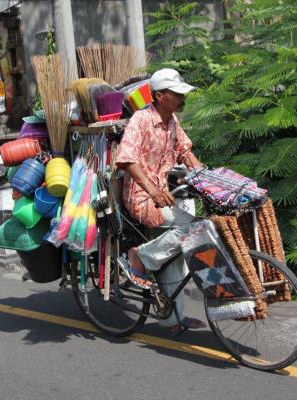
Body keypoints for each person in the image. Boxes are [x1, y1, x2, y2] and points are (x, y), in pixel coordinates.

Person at [115, 68, 206, 334]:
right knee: (191, 228)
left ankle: (172, 318)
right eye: (175, 94)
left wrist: (205, 179)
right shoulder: (141, 120)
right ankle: (139, 257)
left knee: (176, 255)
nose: (181, 98)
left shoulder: (173, 122)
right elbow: (127, 159)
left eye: (182, 94)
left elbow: (186, 153)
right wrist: (153, 191)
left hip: (165, 197)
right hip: (142, 198)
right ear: (159, 96)